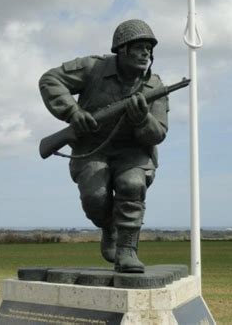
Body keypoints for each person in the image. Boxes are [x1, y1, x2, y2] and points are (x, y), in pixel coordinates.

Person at [39, 19, 169, 273]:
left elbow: (158, 133)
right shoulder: (94, 68)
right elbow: (50, 80)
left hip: (134, 152)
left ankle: (127, 250)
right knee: (95, 199)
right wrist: (73, 113)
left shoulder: (155, 86)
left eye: (149, 49)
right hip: (93, 148)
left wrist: (142, 118)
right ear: (122, 49)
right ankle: (109, 227)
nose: (146, 53)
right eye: (140, 47)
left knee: (132, 184)